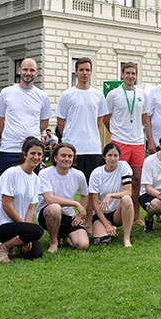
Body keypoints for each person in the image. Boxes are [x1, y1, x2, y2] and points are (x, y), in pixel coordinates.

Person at [57, 57, 108, 230]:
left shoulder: (98, 95)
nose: (84, 73)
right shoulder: (67, 95)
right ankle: (67, 222)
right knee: (70, 186)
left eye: (87, 70)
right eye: (81, 70)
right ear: (76, 72)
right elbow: (60, 122)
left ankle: (87, 223)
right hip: (73, 149)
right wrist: (70, 140)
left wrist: (89, 134)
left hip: (93, 148)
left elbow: (99, 121)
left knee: (90, 189)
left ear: (91, 72)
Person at [0, 58, 51, 183]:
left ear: (36, 73)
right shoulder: (6, 92)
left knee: (30, 189)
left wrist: (31, 133)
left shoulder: (42, 96)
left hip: (32, 151)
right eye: (25, 69)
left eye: (32, 70)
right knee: (5, 188)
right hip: (9, 148)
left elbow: (44, 122)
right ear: (19, 71)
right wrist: (9, 133)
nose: (28, 73)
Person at [105, 61, 148, 228]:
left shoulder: (142, 94)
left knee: (136, 180)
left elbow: (144, 117)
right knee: (118, 179)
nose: (130, 76)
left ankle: (136, 215)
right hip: (119, 141)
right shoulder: (114, 94)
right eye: (127, 73)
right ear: (122, 75)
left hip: (137, 142)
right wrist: (116, 131)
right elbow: (106, 117)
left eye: (133, 73)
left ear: (136, 75)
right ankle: (115, 214)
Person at [0, 137, 45, 262]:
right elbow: (6, 205)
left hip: (20, 225)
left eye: (39, 154)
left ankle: (9, 246)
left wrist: (27, 232)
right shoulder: (12, 173)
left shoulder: (36, 179)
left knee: (34, 254)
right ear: (25, 154)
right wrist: (25, 228)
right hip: (3, 225)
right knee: (38, 230)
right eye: (32, 153)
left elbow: (31, 208)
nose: (36, 157)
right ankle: (4, 246)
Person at [36, 143, 90, 253]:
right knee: (55, 208)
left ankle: (61, 233)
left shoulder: (78, 175)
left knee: (82, 244)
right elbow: (49, 199)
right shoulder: (45, 173)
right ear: (55, 158)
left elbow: (85, 194)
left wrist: (80, 215)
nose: (67, 159)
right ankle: (54, 242)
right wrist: (75, 204)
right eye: (63, 155)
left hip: (67, 215)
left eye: (70, 156)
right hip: (47, 213)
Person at [89, 143, 134, 247]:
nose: (112, 159)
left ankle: (126, 238)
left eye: (115, 156)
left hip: (117, 213)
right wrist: (106, 224)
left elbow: (128, 191)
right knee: (102, 241)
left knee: (127, 199)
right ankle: (106, 227)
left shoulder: (124, 167)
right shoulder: (96, 174)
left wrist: (110, 195)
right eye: (109, 155)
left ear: (119, 157)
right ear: (104, 156)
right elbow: (95, 204)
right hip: (101, 214)